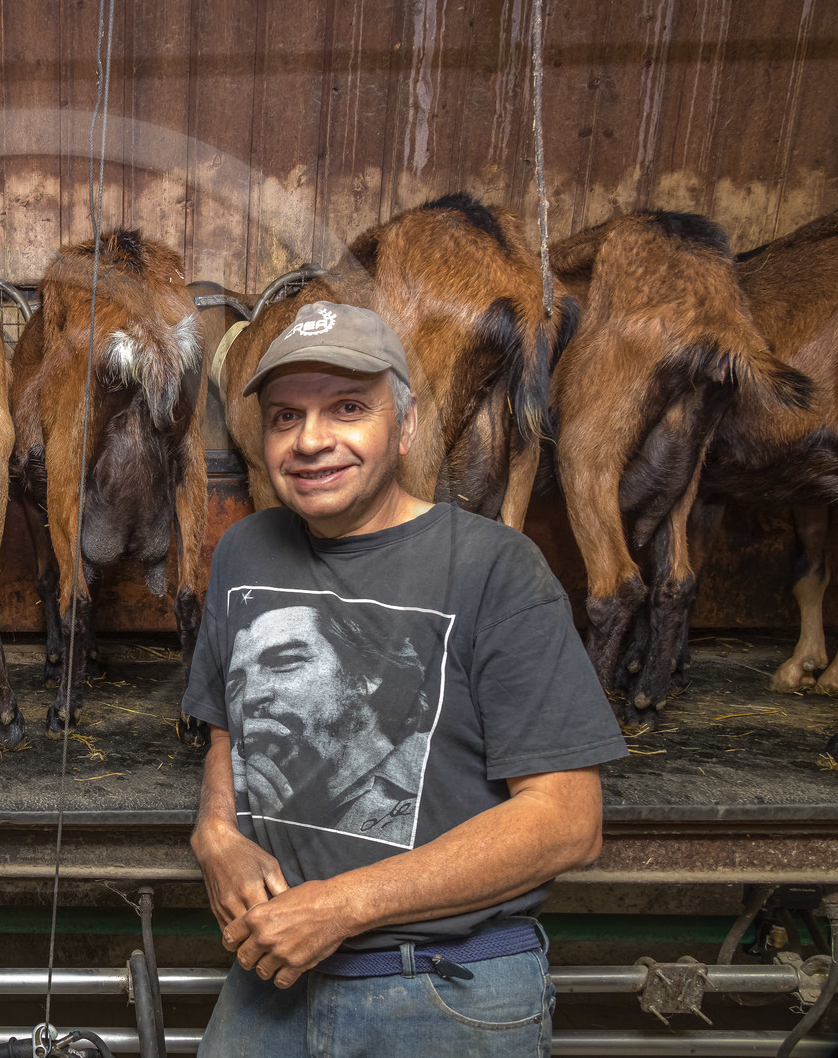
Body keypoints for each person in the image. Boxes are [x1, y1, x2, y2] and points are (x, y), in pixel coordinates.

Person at [183, 301, 628, 1057]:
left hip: (444, 987)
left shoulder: (495, 568)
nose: (311, 439)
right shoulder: (245, 551)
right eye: (286, 416)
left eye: (348, 408)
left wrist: (342, 906)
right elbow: (231, 726)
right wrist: (216, 834)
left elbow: (567, 820)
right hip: (272, 978)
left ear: (408, 424)